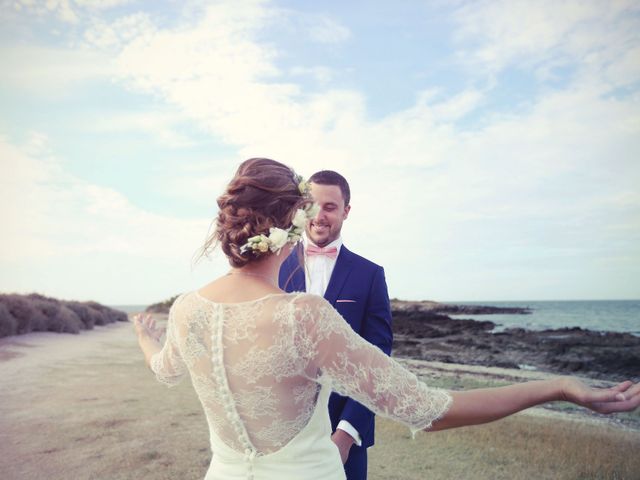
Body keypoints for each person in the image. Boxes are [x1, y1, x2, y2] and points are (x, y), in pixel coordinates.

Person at [134, 158, 639, 480]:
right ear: (290, 226)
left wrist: (143, 337)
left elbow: (164, 368)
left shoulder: (187, 309)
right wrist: (554, 387)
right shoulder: (304, 315)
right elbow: (431, 410)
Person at [278, 170, 391, 480]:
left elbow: (377, 361)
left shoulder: (370, 275)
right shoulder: (274, 268)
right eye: (312, 205)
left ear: (346, 211)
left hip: (345, 439)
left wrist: (344, 435)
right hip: (281, 437)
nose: (319, 215)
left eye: (330, 206)